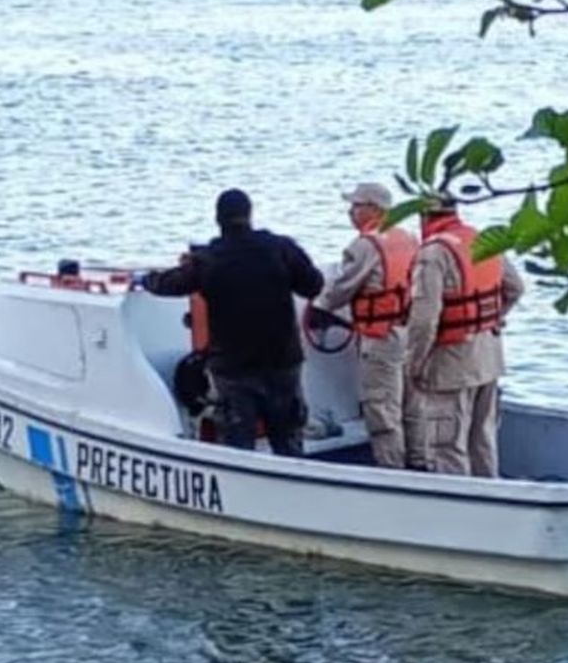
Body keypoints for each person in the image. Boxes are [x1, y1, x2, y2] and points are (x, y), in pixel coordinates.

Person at [135, 188, 324, 456]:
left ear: (218, 219)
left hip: (234, 367)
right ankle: (296, 489)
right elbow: (314, 285)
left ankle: (241, 492)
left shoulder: (209, 259)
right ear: (250, 215)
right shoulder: (281, 248)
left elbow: (171, 284)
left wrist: (146, 280)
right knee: (289, 442)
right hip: (282, 360)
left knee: (238, 448)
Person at [404, 196, 524, 477]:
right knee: (483, 438)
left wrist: (415, 363)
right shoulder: (483, 240)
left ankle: (457, 508)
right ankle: (492, 498)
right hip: (489, 357)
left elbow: (424, 319)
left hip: (451, 363)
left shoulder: (434, 253)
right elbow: (515, 287)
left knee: (447, 444)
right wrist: (493, 317)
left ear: (424, 218)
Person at [310, 182, 419, 469]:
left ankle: (392, 473)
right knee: (412, 405)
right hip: (410, 332)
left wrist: (319, 307)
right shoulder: (408, 238)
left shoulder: (365, 246)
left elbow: (341, 289)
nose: (350, 211)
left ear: (374, 209)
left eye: (356, 205)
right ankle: (421, 463)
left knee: (382, 408)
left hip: (381, 338)